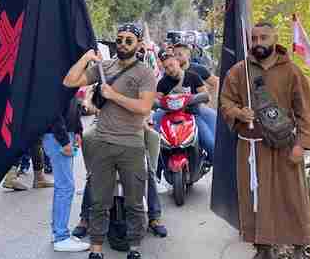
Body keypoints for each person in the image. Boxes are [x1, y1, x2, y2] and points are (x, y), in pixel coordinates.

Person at [219, 22, 310, 259]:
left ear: (275, 39)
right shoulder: (239, 71)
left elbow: (305, 111)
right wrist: (239, 113)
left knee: (292, 197)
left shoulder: (292, 72)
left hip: (284, 145)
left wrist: (301, 145)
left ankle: (298, 246)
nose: (258, 42)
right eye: (254, 38)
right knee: (256, 198)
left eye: (264, 37)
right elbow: (225, 102)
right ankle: (263, 248)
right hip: (251, 147)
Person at [63, 23, 156, 259]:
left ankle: (134, 248)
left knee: (134, 202)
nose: (123, 44)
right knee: (99, 201)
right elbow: (70, 81)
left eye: (128, 40)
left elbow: (144, 107)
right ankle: (95, 249)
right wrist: (85, 58)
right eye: (120, 39)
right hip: (103, 142)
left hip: (131, 144)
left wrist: (113, 95)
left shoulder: (144, 73)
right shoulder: (104, 67)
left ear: (138, 45)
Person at [43, 97, 90, 252]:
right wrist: (64, 140)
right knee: (65, 187)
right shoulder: (56, 77)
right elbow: (52, 111)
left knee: (63, 186)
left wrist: (77, 130)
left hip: (62, 134)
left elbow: (72, 103)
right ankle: (61, 237)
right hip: (58, 136)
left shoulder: (63, 76)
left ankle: (59, 232)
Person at [153, 51, 215, 162]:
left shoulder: (193, 77)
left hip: (192, 115)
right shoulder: (162, 83)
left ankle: (212, 163)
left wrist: (196, 99)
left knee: (210, 143)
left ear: (177, 62)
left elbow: (205, 95)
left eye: (171, 65)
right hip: (169, 118)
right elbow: (157, 100)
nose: (170, 70)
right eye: (166, 68)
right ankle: (156, 172)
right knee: (155, 142)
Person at [173, 43, 218, 144]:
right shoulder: (171, 72)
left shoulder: (198, 69)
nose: (176, 57)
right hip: (176, 112)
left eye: (180, 54)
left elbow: (216, 82)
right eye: (174, 55)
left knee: (210, 142)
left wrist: (209, 101)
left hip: (196, 110)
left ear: (188, 55)